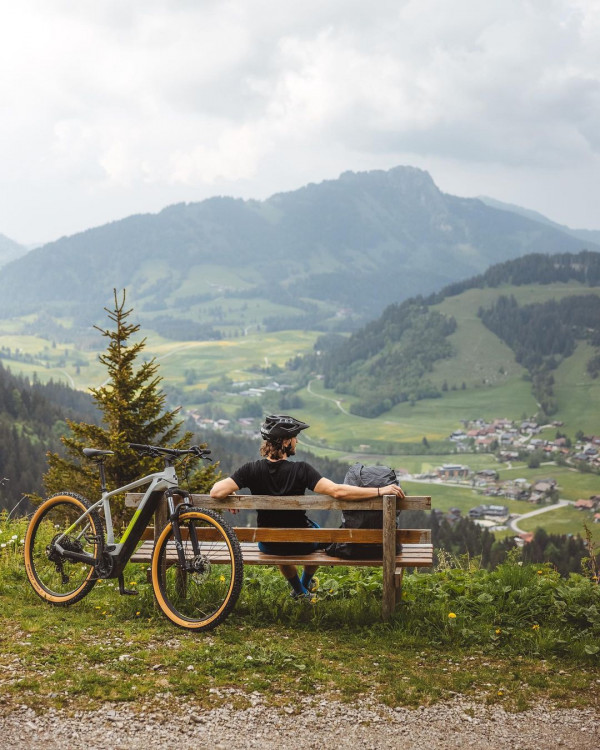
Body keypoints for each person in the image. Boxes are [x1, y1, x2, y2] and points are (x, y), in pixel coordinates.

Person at [210, 415, 405, 599]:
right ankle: (303, 588)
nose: (297, 441)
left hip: (268, 544)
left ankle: (300, 591)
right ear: (286, 441)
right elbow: (337, 491)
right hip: (302, 543)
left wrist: (231, 493)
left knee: (280, 542)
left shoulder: (250, 469)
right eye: (295, 438)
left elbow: (216, 492)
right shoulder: (301, 470)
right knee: (320, 535)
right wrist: (380, 490)